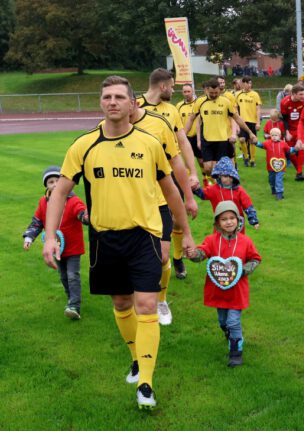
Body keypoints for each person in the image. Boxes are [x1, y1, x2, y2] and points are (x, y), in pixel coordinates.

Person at [43, 75, 195, 410]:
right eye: (107, 97)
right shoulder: (83, 146)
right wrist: (51, 235)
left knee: (145, 304)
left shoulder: (149, 143)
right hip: (104, 238)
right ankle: (136, 359)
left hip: (145, 236)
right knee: (122, 303)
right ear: (102, 103)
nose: (112, 102)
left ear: (132, 104)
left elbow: (170, 191)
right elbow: (60, 193)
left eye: (119, 97)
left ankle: (146, 384)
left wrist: (187, 232)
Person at [137, 69, 201, 281]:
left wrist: (192, 173)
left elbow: (183, 142)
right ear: (163, 86)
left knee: (175, 219)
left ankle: (177, 257)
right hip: (140, 177)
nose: (174, 91)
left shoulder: (171, 110)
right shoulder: (134, 107)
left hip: (170, 174)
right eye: (172, 86)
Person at [187, 200, 261, 367]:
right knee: (223, 321)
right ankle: (230, 333)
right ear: (218, 223)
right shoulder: (212, 240)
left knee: (233, 321)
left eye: (232, 218)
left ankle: (236, 351)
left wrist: (243, 270)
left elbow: (256, 259)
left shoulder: (245, 241)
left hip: (237, 292)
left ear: (238, 220)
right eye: (224, 219)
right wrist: (193, 254)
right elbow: (202, 253)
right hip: (218, 291)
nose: (229, 222)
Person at [23, 166, 89, 319]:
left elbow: (81, 212)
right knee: (64, 276)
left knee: (73, 275)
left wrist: (86, 217)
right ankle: (70, 298)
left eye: (57, 181)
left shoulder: (73, 201)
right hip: (56, 248)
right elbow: (37, 222)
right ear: (46, 185)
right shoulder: (43, 203)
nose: (54, 184)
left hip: (73, 248)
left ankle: (74, 305)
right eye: (50, 182)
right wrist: (29, 237)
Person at [184, 78, 257, 177]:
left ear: (219, 90)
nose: (214, 95)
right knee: (208, 168)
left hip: (223, 140)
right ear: (207, 90)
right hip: (207, 140)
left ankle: (223, 187)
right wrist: (183, 135)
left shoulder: (226, 102)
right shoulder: (200, 102)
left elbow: (237, 118)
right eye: (211, 93)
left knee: (223, 167)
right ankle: (218, 184)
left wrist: (250, 132)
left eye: (216, 93)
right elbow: (191, 119)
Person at [193, 157, 260, 230]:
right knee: (220, 240)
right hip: (220, 222)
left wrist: (254, 220)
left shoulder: (239, 190)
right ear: (219, 176)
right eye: (225, 176)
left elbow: (248, 205)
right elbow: (203, 194)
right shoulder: (214, 189)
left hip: (237, 223)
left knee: (238, 240)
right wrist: (195, 188)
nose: (228, 179)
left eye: (231, 176)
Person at [256, 128, 295, 201]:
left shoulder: (283, 143)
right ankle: (273, 189)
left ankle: (279, 194)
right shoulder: (267, 143)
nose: (274, 137)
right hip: (270, 166)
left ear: (280, 136)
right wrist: (255, 142)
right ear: (270, 136)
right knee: (271, 179)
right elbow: (261, 145)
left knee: (278, 179)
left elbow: (289, 150)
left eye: (276, 135)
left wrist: (296, 149)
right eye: (272, 135)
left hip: (281, 166)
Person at [280, 84, 304, 181]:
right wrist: (287, 132)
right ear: (294, 94)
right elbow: (284, 119)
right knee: (290, 151)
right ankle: (299, 171)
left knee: (301, 148)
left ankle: (299, 172)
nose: (302, 96)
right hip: (290, 129)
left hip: (301, 128)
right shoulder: (284, 102)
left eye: (303, 94)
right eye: (300, 94)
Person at [235, 76, 262, 167]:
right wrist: (237, 121)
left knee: (252, 140)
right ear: (243, 84)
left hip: (253, 121)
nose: (249, 85)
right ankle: (246, 157)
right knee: (242, 139)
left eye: (250, 83)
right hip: (242, 121)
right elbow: (235, 108)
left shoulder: (255, 94)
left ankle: (252, 160)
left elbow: (258, 109)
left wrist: (258, 122)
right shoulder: (237, 94)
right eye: (247, 83)